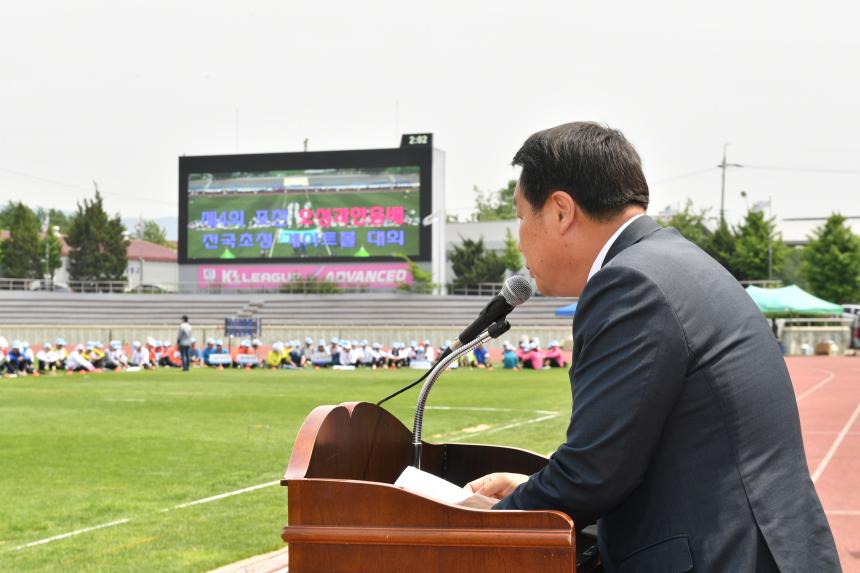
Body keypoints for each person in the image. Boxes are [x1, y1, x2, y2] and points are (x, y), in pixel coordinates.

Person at [464, 122, 839, 572]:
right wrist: (535, 487)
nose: (521, 236)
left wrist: (485, 524)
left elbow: (593, 474)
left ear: (561, 211)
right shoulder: (671, 260)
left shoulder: (628, 283)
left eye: (522, 216)